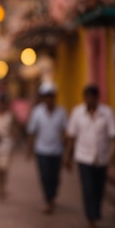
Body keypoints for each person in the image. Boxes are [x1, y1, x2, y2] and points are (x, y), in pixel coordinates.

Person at [64, 84, 115, 228]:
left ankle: (95, 214)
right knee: (88, 189)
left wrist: (113, 157)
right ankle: (91, 221)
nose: (89, 100)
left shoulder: (107, 113)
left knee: (98, 189)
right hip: (83, 158)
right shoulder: (77, 113)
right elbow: (71, 137)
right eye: (87, 97)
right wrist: (67, 157)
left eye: (92, 97)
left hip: (101, 159)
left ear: (97, 98)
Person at [26, 82, 68, 215]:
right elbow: (32, 132)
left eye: (51, 96)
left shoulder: (61, 112)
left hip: (57, 150)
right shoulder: (37, 112)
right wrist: (30, 149)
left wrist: (67, 152)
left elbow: (65, 132)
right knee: (44, 176)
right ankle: (48, 200)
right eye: (46, 96)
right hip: (42, 150)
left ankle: (52, 196)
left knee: (55, 177)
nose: (48, 99)